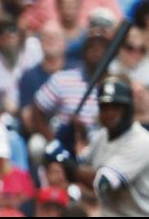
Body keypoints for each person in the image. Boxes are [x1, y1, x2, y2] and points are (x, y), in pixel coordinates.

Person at [61, 77, 149, 216]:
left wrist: (66, 164)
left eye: (116, 107)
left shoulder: (142, 141)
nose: (109, 113)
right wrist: (62, 151)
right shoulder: (102, 136)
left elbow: (103, 183)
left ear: (128, 109)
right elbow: (79, 162)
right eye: (105, 107)